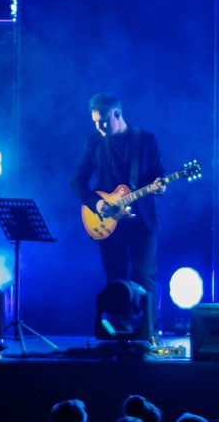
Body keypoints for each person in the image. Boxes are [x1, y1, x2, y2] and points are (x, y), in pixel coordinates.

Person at [69, 92, 167, 300]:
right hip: (108, 219)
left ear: (117, 113)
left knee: (144, 276)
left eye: (103, 122)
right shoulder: (94, 143)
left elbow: (158, 174)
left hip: (142, 221)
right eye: (95, 122)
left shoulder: (146, 140)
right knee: (115, 279)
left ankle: (148, 329)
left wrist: (159, 186)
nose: (99, 127)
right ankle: (119, 331)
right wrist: (96, 204)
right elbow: (77, 182)